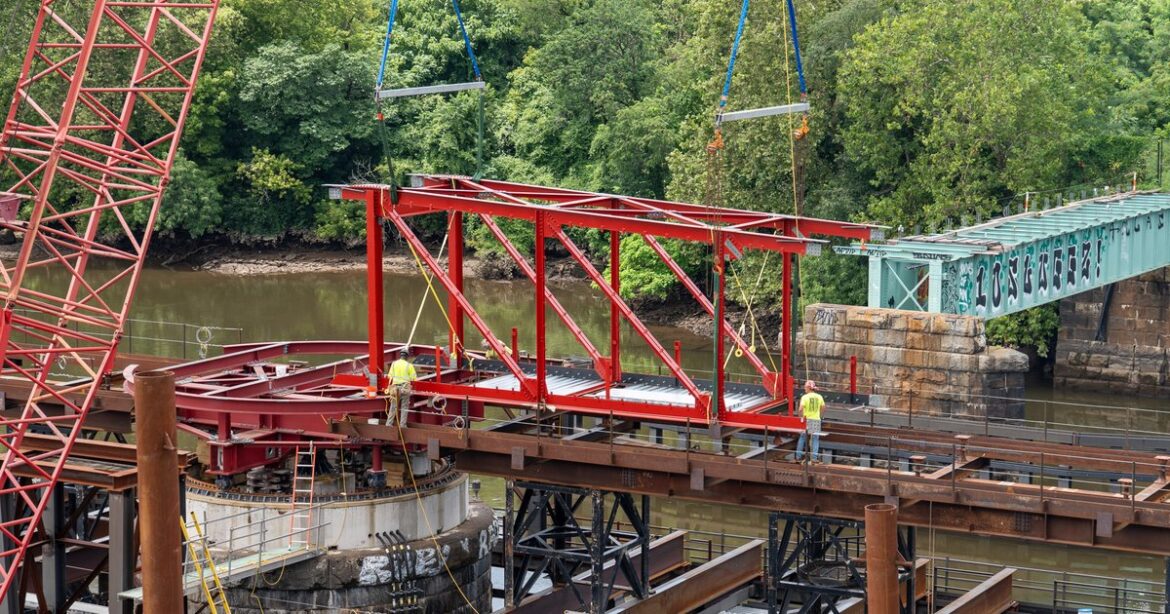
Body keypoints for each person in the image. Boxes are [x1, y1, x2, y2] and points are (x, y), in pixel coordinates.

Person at [795, 380, 825, 464]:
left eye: (805, 387)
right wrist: (820, 415)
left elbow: (800, 409)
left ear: (809, 388)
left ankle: (798, 457)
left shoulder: (805, 397)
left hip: (807, 420)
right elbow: (823, 407)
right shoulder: (819, 396)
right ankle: (814, 458)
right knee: (815, 439)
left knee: (802, 438)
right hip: (816, 419)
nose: (804, 388)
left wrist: (801, 417)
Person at [386, 349, 417, 425]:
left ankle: (388, 424)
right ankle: (402, 425)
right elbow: (414, 378)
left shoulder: (394, 364)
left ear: (401, 355)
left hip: (395, 389)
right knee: (404, 408)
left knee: (393, 407)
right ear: (407, 357)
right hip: (405, 388)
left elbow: (389, 376)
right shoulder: (409, 365)